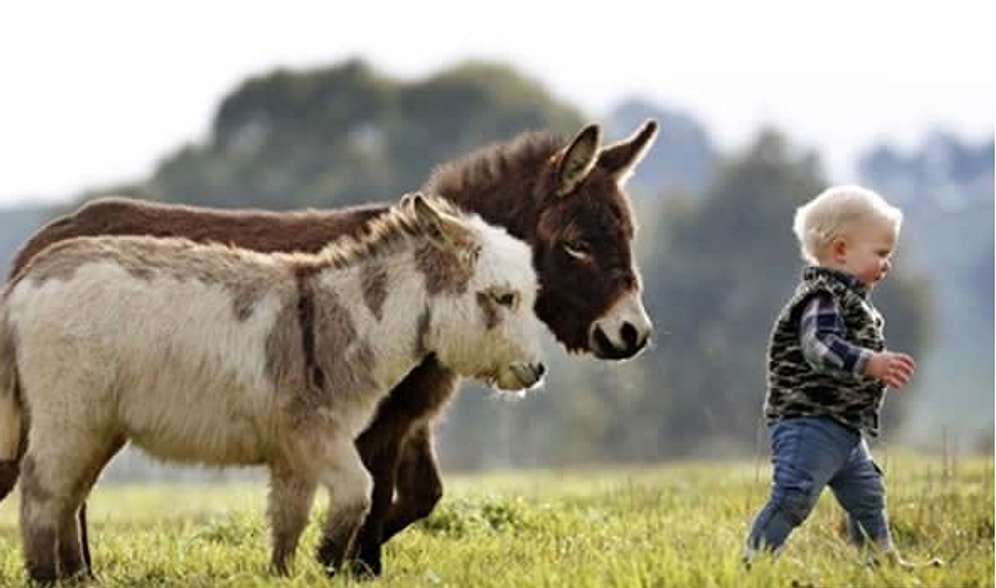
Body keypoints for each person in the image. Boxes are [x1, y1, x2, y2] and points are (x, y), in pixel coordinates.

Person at [743, 184, 917, 567]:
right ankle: (753, 562)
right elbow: (818, 345)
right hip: (808, 420)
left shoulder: (853, 300)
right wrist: (870, 362)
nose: (887, 264)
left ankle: (882, 561)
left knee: (868, 496)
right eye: (881, 253)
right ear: (840, 250)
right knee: (794, 495)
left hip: (843, 425)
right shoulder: (822, 296)